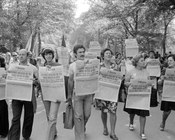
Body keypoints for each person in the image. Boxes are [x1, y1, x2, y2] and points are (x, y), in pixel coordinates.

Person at [8, 49, 38, 140]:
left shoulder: (33, 68)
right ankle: (13, 138)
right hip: (16, 96)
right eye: (19, 54)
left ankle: (26, 135)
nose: (20, 56)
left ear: (27, 56)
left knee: (29, 116)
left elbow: (38, 81)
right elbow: (9, 78)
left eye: (23, 55)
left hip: (28, 95)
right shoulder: (13, 67)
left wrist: (35, 81)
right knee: (15, 117)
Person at [68, 45, 93, 140]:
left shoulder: (90, 64)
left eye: (83, 52)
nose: (82, 54)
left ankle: (82, 127)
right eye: (80, 52)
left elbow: (94, 79)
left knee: (87, 115)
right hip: (77, 94)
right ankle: (79, 136)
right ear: (75, 54)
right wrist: (69, 95)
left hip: (88, 94)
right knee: (78, 116)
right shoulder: (72, 66)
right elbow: (70, 81)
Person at [124, 54, 151, 140]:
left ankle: (142, 132)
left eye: (144, 60)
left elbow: (149, 82)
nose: (144, 62)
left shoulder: (146, 71)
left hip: (143, 97)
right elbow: (125, 82)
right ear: (136, 62)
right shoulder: (130, 71)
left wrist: (151, 84)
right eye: (142, 61)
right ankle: (131, 122)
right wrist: (129, 84)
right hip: (133, 96)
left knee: (143, 114)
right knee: (132, 112)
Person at [95, 48, 119, 140]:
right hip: (102, 93)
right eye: (106, 53)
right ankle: (105, 127)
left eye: (110, 53)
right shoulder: (99, 66)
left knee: (113, 111)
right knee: (104, 111)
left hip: (113, 93)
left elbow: (119, 77)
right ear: (103, 55)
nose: (108, 55)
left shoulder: (115, 66)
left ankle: (113, 132)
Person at [40, 47, 61, 140]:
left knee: (52, 117)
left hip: (56, 95)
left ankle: (50, 137)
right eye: (46, 54)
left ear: (52, 55)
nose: (48, 56)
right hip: (45, 94)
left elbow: (62, 81)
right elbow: (40, 81)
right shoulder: (41, 67)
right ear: (44, 56)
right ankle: (54, 131)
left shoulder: (58, 66)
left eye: (49, 54)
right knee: (49, 115)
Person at [158, 54, 175, 131]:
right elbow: (160, 82)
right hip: (168, 93)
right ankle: (163, 121)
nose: (169, 62)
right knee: (166, 112)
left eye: (171, 60)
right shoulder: (165, 70)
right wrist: (160, 80)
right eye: (168, 61)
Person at [0, 56, 9, 138]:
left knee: (2, 114)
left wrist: (3, 80)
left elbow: (8, 83)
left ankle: (4, 132)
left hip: (2, 96)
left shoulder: (4, 71)